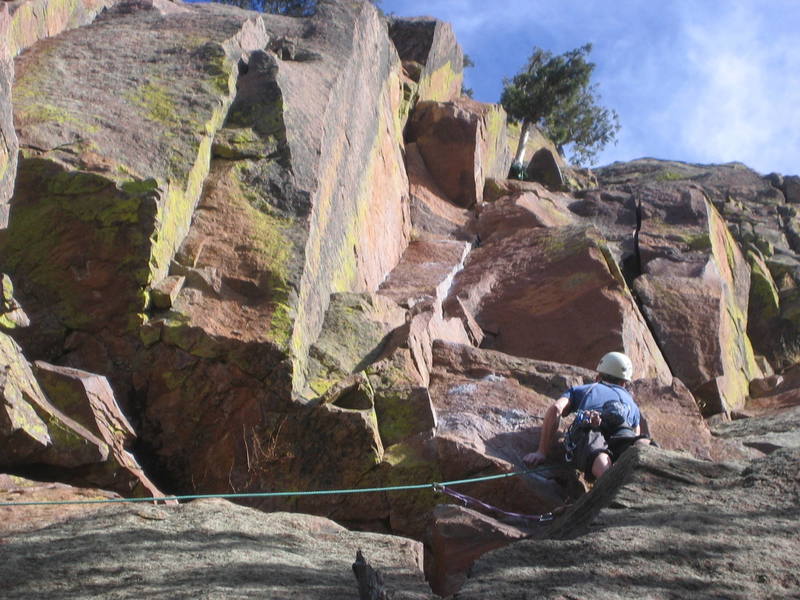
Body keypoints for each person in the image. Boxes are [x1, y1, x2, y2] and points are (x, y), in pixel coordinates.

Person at [523, 351, 650, 480]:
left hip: (592, 426)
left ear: (598, 377)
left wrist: (541, 452)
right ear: (624, 383)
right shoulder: (632, 405)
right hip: (622, 429)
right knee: (638, 443)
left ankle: (608, 480)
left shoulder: (586, 389)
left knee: (597, 451)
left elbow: (556, 409)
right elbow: (635, 434)